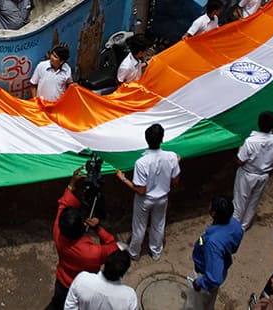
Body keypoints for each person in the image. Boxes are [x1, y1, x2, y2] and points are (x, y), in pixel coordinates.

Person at [49, 168, 120, 310]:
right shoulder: (91, 253)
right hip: (84, 290)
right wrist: (99, 228)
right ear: (83, 226)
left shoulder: (58, 232)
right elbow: (113, 248)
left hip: (63, 284)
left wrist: (71, 184)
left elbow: (63, 204)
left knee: (56, 305)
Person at [115, 124, 180, 261]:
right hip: (162, 198)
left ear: (146, 140)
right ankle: (156, 251)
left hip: (145, 200)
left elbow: (141, 190)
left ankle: (134, 253)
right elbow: (175, 180)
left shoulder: (141, 162)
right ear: (162, 139)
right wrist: (175, 163)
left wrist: (124, 179)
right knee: (159, 224)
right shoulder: (172, 157)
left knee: (139, 227)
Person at [183, 195, 244, 310]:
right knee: (208, 303)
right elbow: (234, 247)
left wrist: (200, 282)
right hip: (221, 267)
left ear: (213, 213)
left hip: (205, 275)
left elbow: (214, 277)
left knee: (195, 305)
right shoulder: (235, 225)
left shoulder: (213, 243)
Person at [232, 111, 273, 231]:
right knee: (253, 201)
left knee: (239, 202)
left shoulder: (251, 141)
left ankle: (234, 228)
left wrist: (240, 149)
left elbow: (240, 161)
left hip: (247, 174)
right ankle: (244, 226)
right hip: (263, 175)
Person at [63, 250, 138, 310]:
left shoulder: (83, 279)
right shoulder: (129, 297)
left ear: (105, 262)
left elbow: (69, 307)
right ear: (123, 273)